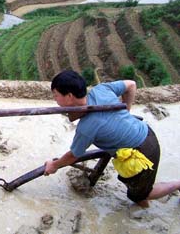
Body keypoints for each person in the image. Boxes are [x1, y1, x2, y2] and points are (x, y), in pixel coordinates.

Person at [44, 70, 180, 207]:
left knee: (140, 196)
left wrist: (54, 165)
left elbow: (73, 155)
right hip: (146, 132)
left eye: (56, 95)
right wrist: (126, 112)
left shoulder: (87, 128)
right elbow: (131, 85)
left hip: (142, 153)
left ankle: (176, 185)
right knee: (139, 186)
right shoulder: (101, 90)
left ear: (69, 96)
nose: (55, 99)